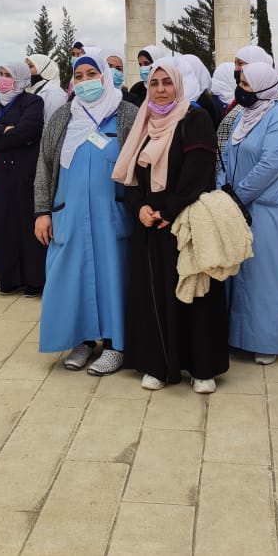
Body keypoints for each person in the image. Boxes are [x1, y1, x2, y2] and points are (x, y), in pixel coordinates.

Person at [116, 61, 228, 392]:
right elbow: (130, 176)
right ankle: (157, 363)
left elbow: (198, 173)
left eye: (167, 82)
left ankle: (202, 367)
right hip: (150, 225)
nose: (161, 89)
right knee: (153, 293)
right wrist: (139, 207)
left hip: (187, 221)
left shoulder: (194, 119)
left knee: (195, 292)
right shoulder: (144, 122)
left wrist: (169, 209)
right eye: (155, 83)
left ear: (178, 86)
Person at [34, 50, 137, 376]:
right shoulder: (63, 117)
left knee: (113, 278)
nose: (85, 82)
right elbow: (44, 166)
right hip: (70, 215)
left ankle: (116, 345)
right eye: (78, 77)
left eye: (91, 75)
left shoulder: (127, 114)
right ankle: (82, 340)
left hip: (112, 216)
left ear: (104, 77)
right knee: (71, 278)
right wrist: (42, 211)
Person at [220, 61, 278, 365]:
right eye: (240, 83)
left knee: (265, 277)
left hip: (268, 210)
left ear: (264, 87)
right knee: (239, 273)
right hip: (236, 207)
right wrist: (221, 190)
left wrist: (237, 196)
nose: (241, 90)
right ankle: (237, 336)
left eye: (246, 85)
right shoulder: (244, 116)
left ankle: (265, 341)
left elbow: (269, 165)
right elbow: (227, 156)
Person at [0, 61, 46, 296]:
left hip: (24, 172)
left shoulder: (33, 102)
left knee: (26, 224)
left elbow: (26, 132)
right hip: (0, 173)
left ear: (20, 77)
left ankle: (34, 280)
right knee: (2, 224)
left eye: (8, 74)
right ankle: (9, 279)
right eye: (1, 74)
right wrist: (4, 131)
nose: (3, 79)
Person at [25, 53, 66, 123]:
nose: (25, 70)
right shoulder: (29, 90)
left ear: (45, 69)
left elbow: (54, 124)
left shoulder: (55, 94)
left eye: (30, 66)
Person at [125, 43, 167, 108]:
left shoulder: (169, 87)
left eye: (146, 63)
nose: (142, 68)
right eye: (140, 65)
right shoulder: (137, 89)